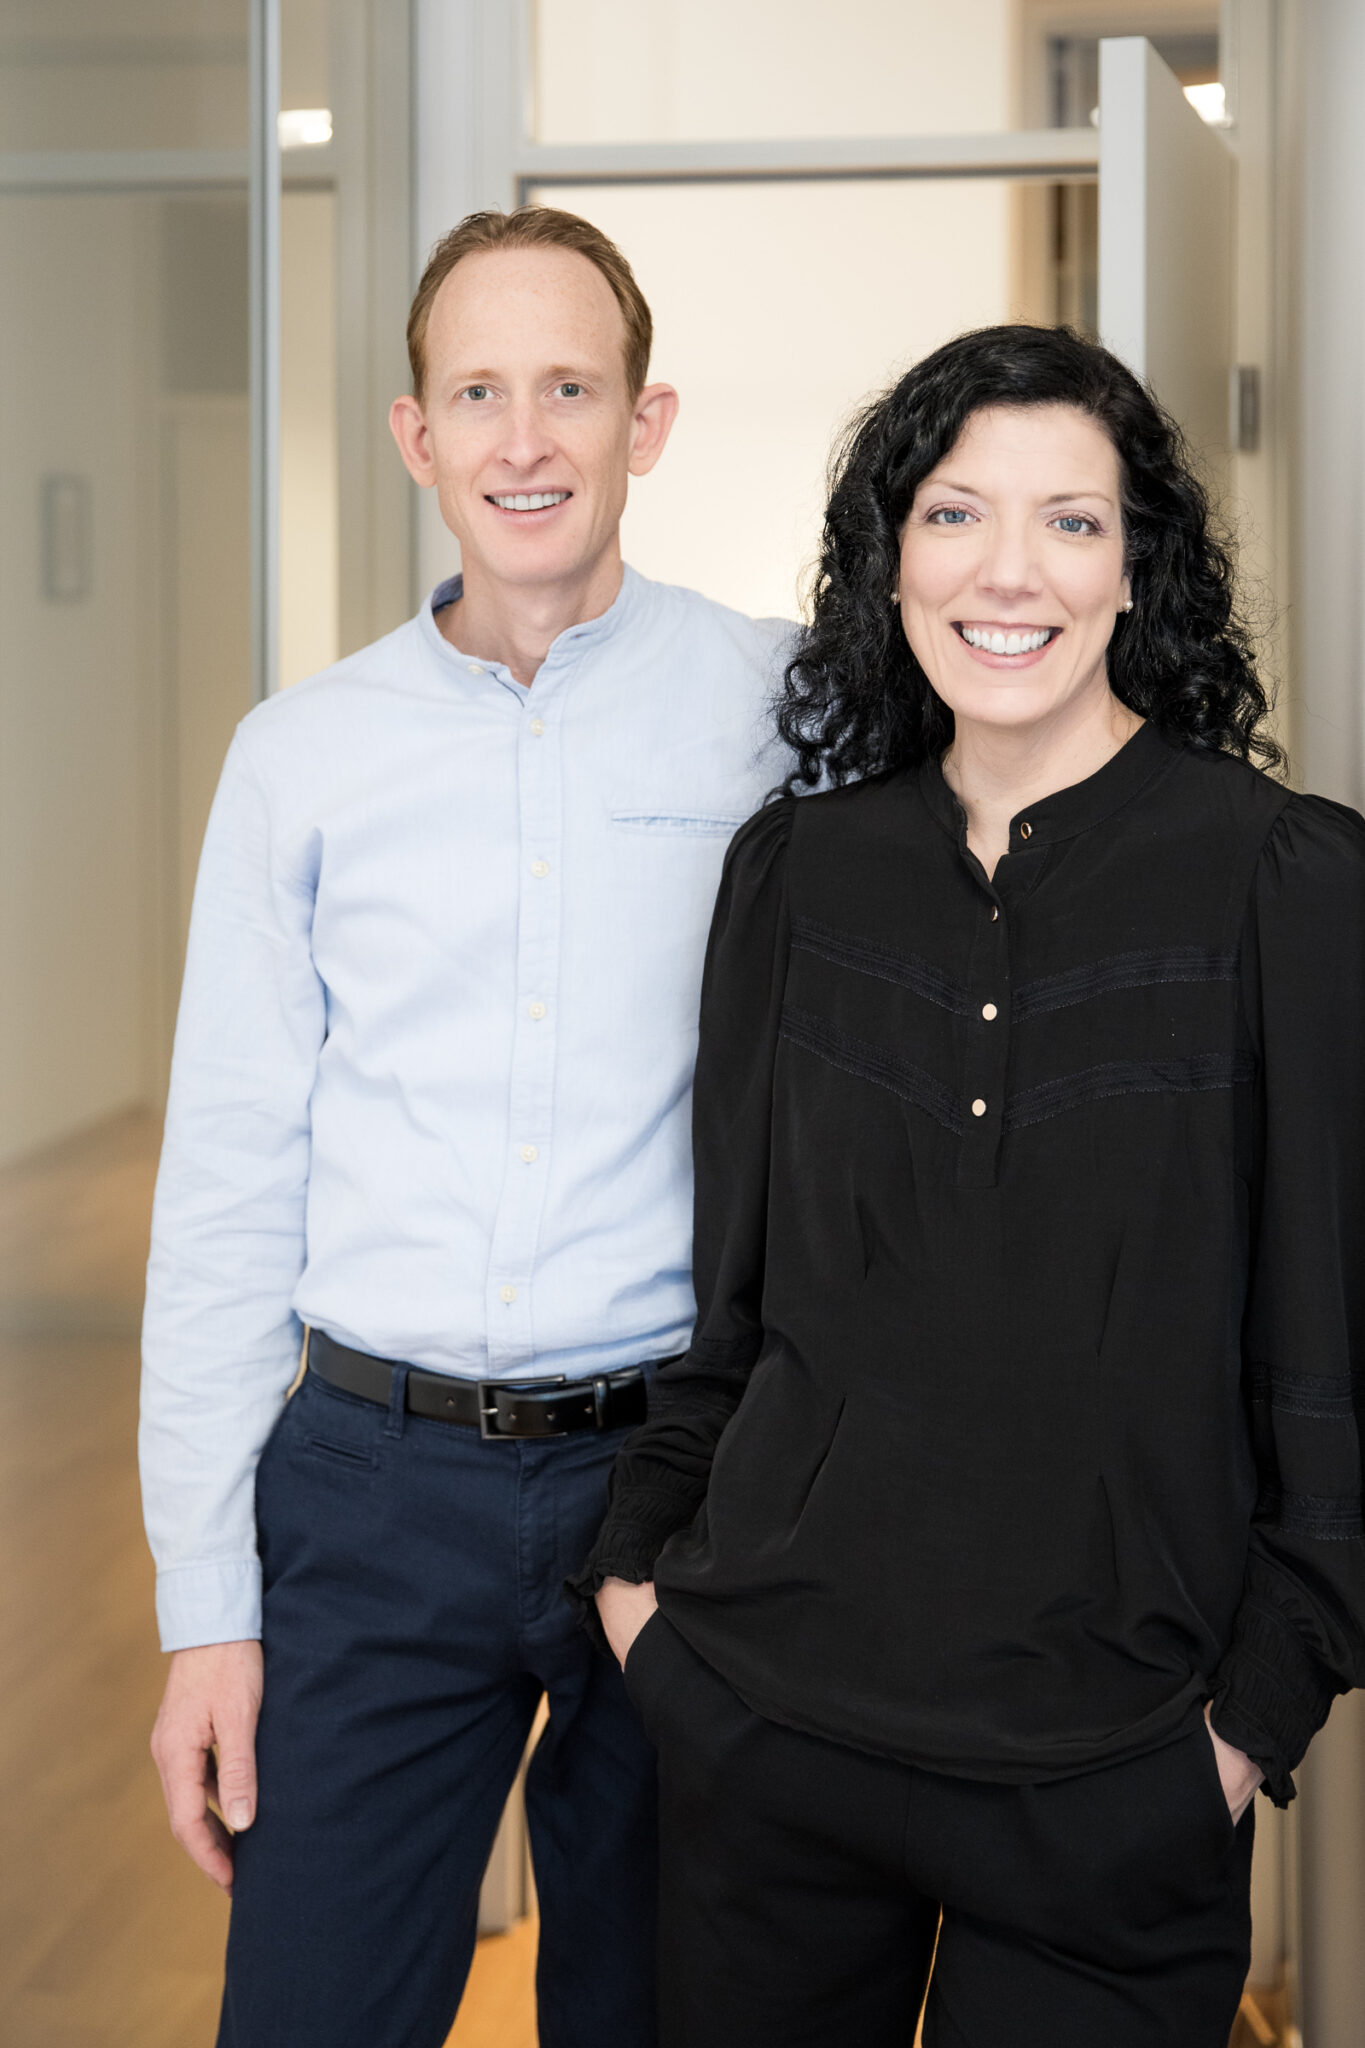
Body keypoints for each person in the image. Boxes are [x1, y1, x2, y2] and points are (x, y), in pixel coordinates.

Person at [575, 324, 1365, 2047]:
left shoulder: (1285, 883)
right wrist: (643, 1607)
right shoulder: (797, 872)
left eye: (1070, 522)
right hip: (766, 1735)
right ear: (890, 558)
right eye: (953, 514)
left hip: (1115, 1781)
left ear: (1135, 569)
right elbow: (732, 1310)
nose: (1008, 572)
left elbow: (1333, 1355)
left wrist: (1245, 1726)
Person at [139, 205, 789, 2048]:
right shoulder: (301, 756)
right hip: (370, 1493)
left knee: (662, 2015)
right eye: (479, 393)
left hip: (681, 1486)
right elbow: (228, 1191)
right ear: (416, 433)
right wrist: (206, 1612)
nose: (525, 439)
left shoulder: (779, 711)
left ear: (645, 423)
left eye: (569, 389)